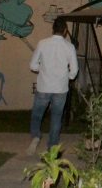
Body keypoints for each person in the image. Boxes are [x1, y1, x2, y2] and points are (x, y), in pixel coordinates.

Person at [27, 19, 78, 155]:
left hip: (44, 86)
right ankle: (52, 147)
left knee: (37, 114)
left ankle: (36, 136)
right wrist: (67, 76)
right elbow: (74, 72)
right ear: (65, 31)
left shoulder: (42, 43)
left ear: (52, 29)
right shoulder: (69, 47)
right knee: (56, 117)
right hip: (60, 89)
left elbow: (32, 66)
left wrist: (43, 69)